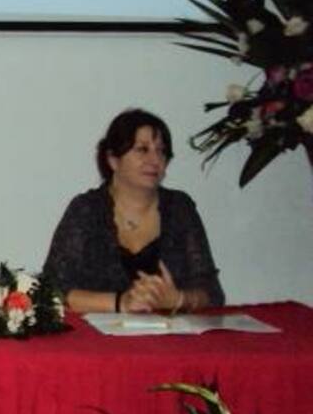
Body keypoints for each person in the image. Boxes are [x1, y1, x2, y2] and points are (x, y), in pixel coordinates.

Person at [43, 109, 224, 313]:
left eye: (161, 151)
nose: (155, 160)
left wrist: (179, 299)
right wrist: (122, 303)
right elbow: (51, 290)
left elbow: (212, 292)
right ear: (113, 160)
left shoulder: (180, 208)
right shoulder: (86, 209)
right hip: (97, 339)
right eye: (142, 150)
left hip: (169, 339)